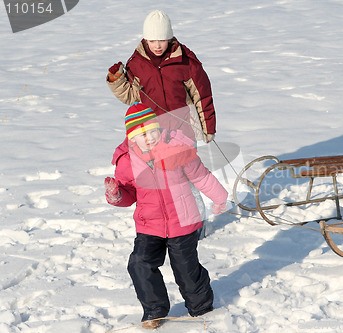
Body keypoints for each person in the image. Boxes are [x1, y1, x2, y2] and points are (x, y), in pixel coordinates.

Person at [104, 103, 227, 329]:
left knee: (186, 269)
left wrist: (219, 197)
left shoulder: (176, 148)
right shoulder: (127, 161)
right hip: (149, 225)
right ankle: (154, 310)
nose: (149, 137)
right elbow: (128, 193)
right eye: (142, 134)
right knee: (139, 264)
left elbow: (201, 176)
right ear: (131, 137)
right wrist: (116, 194)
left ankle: (201, 308)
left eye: (152, 130)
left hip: (182, 222)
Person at [106, 9, 216, 143]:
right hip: (153, 134)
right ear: (146, 39)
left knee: (188, 164)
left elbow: (202, 96)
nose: (157, 46)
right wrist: (116, 80)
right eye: (152, 41)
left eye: (162, 40)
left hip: (184, 132)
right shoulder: (137, 64)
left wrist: (208, 128)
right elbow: (132, 97)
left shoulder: (185, 61)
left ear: (169, 38)